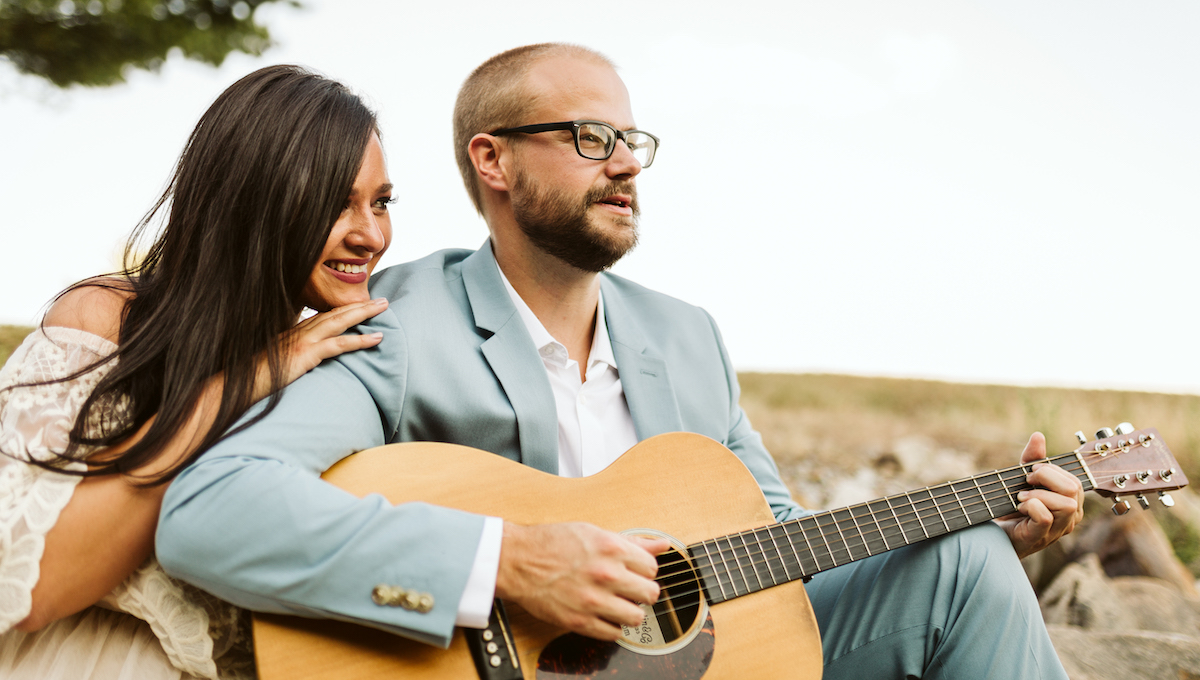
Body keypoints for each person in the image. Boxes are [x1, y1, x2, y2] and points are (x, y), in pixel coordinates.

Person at [158, 44, 1084, 678]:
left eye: (631, 142)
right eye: (590, 139)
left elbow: (780, 548)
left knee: (965, 562)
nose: (627, 165)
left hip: (690, 661)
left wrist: (985, 518)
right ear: (495, 161)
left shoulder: (689, 338)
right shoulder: (401, 322)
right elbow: (213, 511)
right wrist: (507, 561)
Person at [0, 65, 395, 679]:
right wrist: (251, 377)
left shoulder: (338, 367)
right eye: (336, 204)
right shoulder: (111, 318)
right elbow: (31, 580)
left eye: (381, 203)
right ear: (255, 200)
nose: (371, 235)